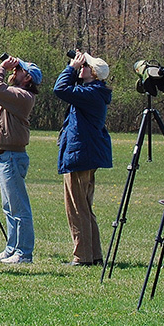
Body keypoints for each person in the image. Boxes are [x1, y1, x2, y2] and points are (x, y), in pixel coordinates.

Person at [54, 50, 112, 266]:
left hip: (80, 154)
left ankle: (82, 257)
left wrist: (71, 68)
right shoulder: (93, 92)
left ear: (94, 74)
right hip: (84, 153)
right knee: (85, 207)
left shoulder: (92, 94)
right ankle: (94, 255)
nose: (81, 67)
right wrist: (76, 67)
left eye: (85, 66)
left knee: (76, 208)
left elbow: (60, 89)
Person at [0, 56, 42, 265]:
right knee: (10, 207)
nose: (13, 71)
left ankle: (24, 253)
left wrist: (1, 66)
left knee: (19, 207)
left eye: (18, 70)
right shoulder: (15, 96)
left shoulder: (22, 96)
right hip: (6, 157)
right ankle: (12, 249)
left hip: (11, 157)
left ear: (27, 78)